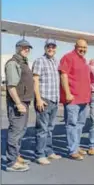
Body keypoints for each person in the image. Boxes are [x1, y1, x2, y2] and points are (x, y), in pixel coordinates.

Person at [59, 39, 91, 160]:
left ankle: (76, 146)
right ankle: (72, 150)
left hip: (84, 99)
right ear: (75, 46)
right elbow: (63, 74)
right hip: (73, 99)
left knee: (80, 124)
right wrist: (67, 93)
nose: (82, 49)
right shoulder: (68, 57)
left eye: (85, 48)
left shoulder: (84, 60)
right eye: (80, 47)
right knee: (71, 124)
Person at [5, 39, 34, 172]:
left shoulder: (23, 62)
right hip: (18, 103)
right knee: (15, 132)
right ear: (17, 48)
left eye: (28, 48)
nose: (26, 49)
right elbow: (11, 86)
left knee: (21, 131)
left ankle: (16, 156)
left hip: (25, 102)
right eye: (23, 47)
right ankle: (11, 163)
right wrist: (18, 103)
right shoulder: (13, 63)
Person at [32, 39, 62, 165]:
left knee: (50, 128)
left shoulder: (56, 61)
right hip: (44, 99)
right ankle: (40, 154)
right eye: (48, 47)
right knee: (42, 129)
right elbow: (35, 80)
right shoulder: (40, 61)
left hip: (54, 99)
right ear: (45, 48)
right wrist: (38, 99)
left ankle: (49, 152)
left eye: (53, 47)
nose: (51, 49)